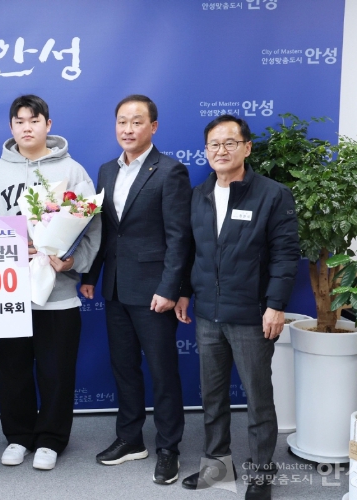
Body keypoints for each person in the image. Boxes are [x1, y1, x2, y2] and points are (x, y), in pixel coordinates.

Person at [175, 115, 299, 500]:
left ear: (247, 147)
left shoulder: (272, 194)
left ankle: (261, 474)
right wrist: (184, 292)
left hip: (251, 315)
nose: (221, 150)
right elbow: (191, 251)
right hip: (208, 314)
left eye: (230, 143)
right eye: (214, 144)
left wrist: (275, 305)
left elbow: (285, 255)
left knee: (258, 400)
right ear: (206, 151)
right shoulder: (199, 195)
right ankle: (216, 468)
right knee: (212, 398)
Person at [0, 94, 101, 471]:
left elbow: (93, 225)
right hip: (8, 294)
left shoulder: (73, 171)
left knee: (56, 371)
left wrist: (72, 262)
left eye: (34, 120)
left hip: (58, 294)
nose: (27, 127)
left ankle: (51, 439)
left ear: (48, 124)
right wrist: (10, 250)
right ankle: (18, 436)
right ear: (11, 127)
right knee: (11, 371)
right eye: (20, 121)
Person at [80, 94, 192, 485]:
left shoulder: (170, 171)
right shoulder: (106, 170)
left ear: (153, 127)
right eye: (122, 122)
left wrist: (170, 287)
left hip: (154, 291)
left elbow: (179, 238)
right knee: (124, 368)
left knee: (163, 372)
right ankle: (130, 439)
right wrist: (91, 275)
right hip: (114, 287)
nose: (128, 129)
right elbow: (105, 230)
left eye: (137, 121)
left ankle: (169, 448)